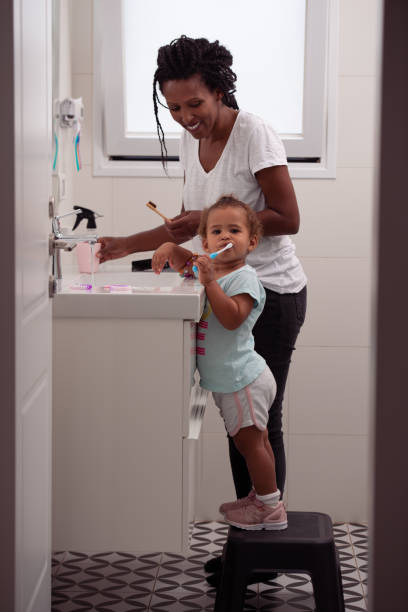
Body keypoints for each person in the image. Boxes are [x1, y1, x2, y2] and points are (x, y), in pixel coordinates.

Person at [98, 35, 307, 584]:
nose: (186, 117)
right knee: (241, 425)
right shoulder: (196, 143)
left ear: (218, 90)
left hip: (270, 294)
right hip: (226, 291)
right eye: (174, 108)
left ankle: (262, 550)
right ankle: (253, 544)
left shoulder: (252, 132)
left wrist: (207, 218)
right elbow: (197, 225)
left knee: (261, 424)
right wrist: (126, 244)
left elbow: (286, 216)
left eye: (195, 104)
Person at [153, 196, 288, 531]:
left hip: (242, 380)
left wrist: (210, 281)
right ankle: (262, 497)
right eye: (216, 231)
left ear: (252, 241)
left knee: (250, 443)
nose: (225, 236)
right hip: (235, 379)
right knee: (256, 442)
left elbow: (231, 318)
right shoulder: (216, 271)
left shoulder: (243, 278)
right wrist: (172, 247)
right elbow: (189, 263)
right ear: (205, 241)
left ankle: (270, 509)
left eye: (234, 230)